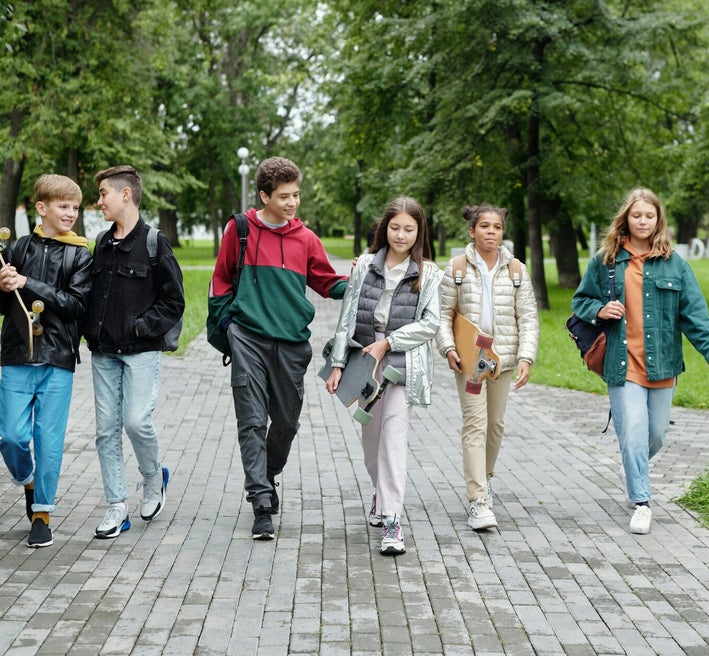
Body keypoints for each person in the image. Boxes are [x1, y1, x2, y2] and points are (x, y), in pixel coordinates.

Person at [571, 187, 709, 535]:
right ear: (626, 218)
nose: (643, 221)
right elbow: (580, 300)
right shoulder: (606, 261)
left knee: (654, 436)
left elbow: (695, 315)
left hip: (662, 364)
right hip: (622, 361)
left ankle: (633, 468)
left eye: (649, 216)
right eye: (636, 215)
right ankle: (642, 502)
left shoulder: (675, 264)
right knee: (633, 434)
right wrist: (600, 309)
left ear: (658, 220)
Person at [208, 156, 348, 541]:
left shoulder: (306, 238)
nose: (292, 203)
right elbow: (220, 281)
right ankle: (260, 502)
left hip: (292, 343)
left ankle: (268, 474)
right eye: (284, 196)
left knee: (286, 422)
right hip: (248, 338)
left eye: (296, 195)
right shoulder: (239, 230)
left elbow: (326, 282)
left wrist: (362, 279)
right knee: (252, 420)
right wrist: (228, 327)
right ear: (264, 196)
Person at [324, 196, 442, 555]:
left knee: (393, 440)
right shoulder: (364, 265)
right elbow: (347, 316)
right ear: (384, 228)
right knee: (371, 443)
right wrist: (338, 364)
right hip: (366, 362)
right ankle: (380, 493)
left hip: (402, 363)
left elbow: (431, 324)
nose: (401, 235)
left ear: (420, 232)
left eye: (409, 229)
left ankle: (392, 519)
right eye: (395, 228)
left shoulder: (429, 273)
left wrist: (389, 342)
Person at [84, 165, 185, 539]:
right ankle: (116, 506)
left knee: (136, 421)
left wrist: (141, 327)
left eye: (103, 194)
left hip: (142, 351)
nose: (99, 202)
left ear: (125, 194)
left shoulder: (155, 242)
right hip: (103, 352)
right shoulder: (101, 243)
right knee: (105, 431)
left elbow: (174, 301)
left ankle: (153, 477)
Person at [0, 174, 93, 548]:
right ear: (42, 208)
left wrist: (27, 283)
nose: (71, 213)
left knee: (48, 441)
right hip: (16, 354)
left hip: (57, 357)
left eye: (75, 207)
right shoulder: (19, 248)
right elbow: (4, 305)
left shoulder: (81, 254)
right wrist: (3, 284)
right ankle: (27, 480)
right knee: (11, 436)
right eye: (63, 206)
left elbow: (75, 305)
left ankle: (42, 513)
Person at [435, 204, 539, 531]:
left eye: (497, 227)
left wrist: (526, 357)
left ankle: (486, 476)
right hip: (469, 360)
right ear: (472, 231)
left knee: (495, 425)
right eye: (484, 226)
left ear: (502, 232)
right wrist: (448, 348)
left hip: (502, 360)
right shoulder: (456, 269)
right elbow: (442, 315)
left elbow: (528, 318)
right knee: (475, 424)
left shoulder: (516, 271)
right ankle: (478, 499)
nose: (491, 232)